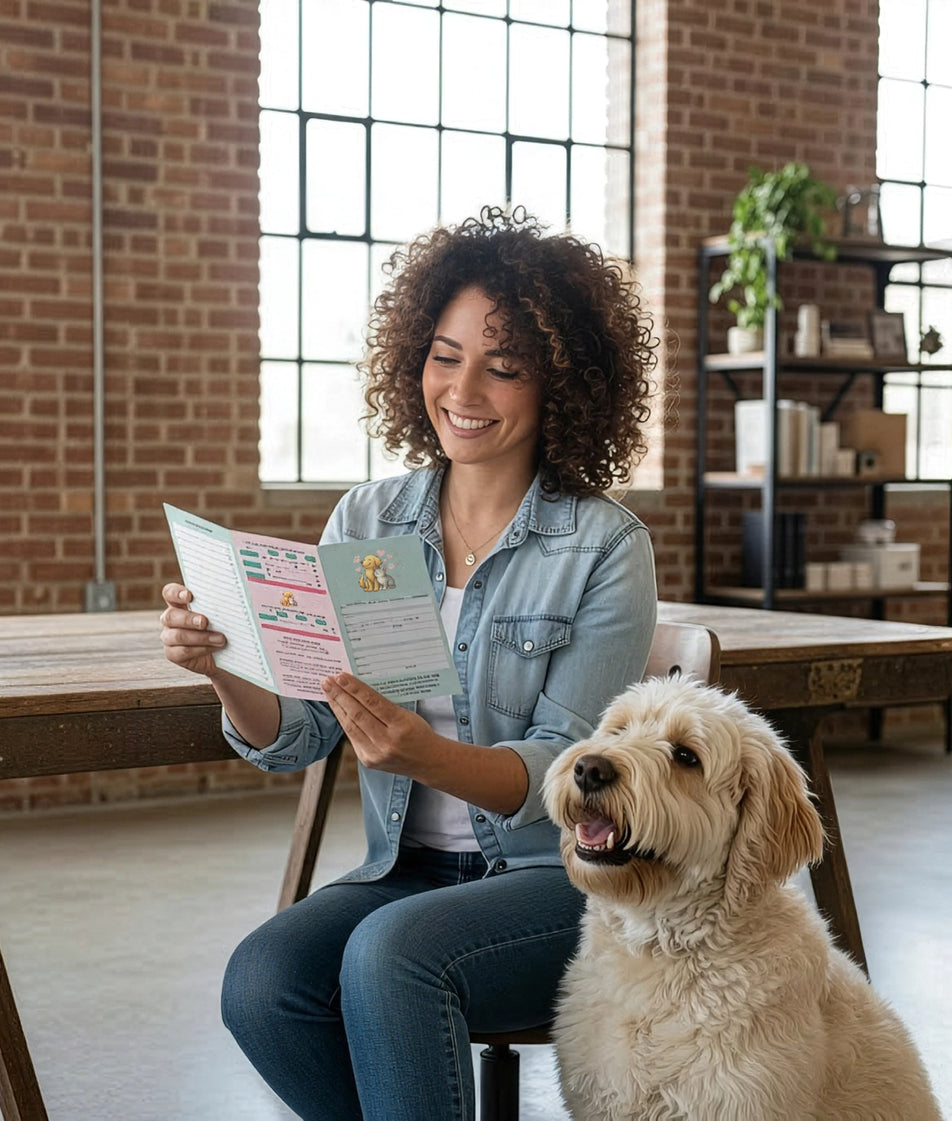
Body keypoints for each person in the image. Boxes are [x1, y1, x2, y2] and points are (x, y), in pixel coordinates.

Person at [157, 206, 660, 1121]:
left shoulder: (605, 546)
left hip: (560, 884)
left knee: (391, 955)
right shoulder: (370, 521)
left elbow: (571, 775)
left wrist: (423, 754)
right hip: (407, 870)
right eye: (445, 354)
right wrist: (225, 668)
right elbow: (304, 731)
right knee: (263, 980)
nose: (464, 388)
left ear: (564, 387)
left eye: (504, 367)